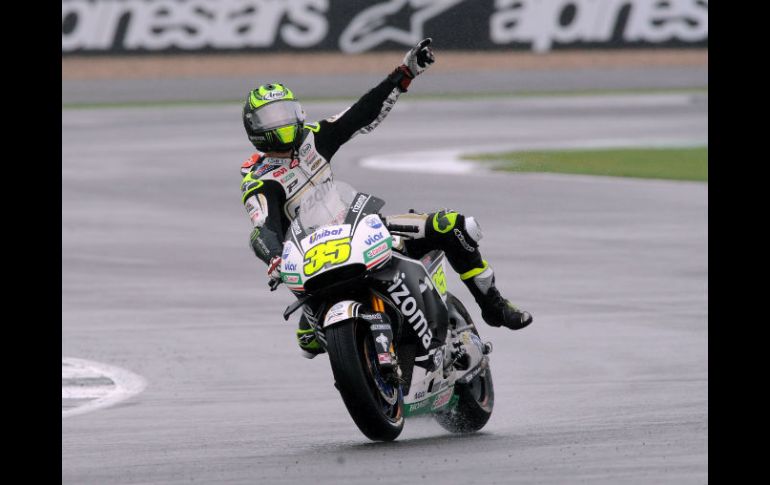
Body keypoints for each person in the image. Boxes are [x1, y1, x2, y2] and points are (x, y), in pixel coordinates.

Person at [240, 38, 532, 358]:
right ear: (255, 129)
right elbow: (262, 227)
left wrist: (404, 72)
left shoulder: (314, 137)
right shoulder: (260, 178)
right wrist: (273, 257)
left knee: (454, 225)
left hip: (359, 230)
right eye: (272, 119)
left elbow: (361, 113)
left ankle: (494, 306)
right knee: (308, 341)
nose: (282, 123)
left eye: (284, 113)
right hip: (314, 260)